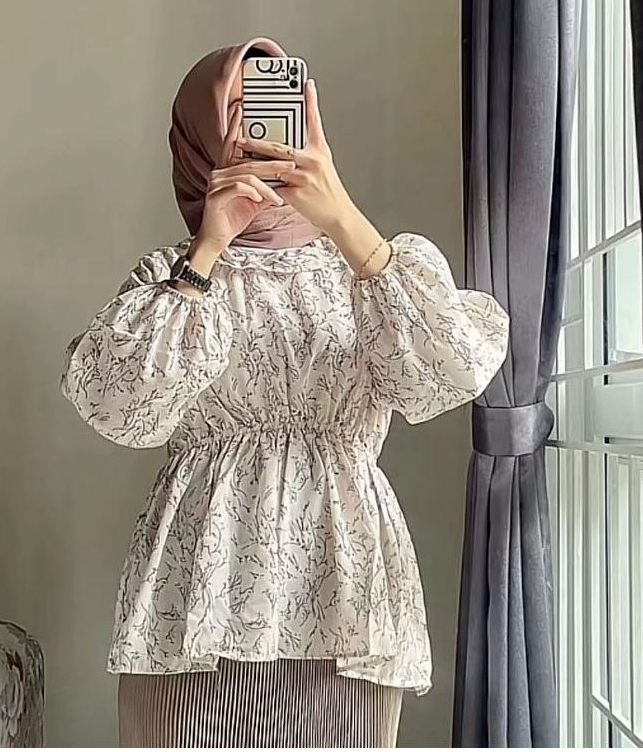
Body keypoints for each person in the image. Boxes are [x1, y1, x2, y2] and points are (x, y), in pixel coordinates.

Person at [60, 35, 510, 748]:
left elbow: (451, 375)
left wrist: (342, 217)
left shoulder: (374, 267)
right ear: (199, 135)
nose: (257, 128)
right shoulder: (169, 280)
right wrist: (208, 248)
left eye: (275, 105)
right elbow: (119, 410)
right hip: (197, 594)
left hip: (344, 586)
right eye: (236, 109)